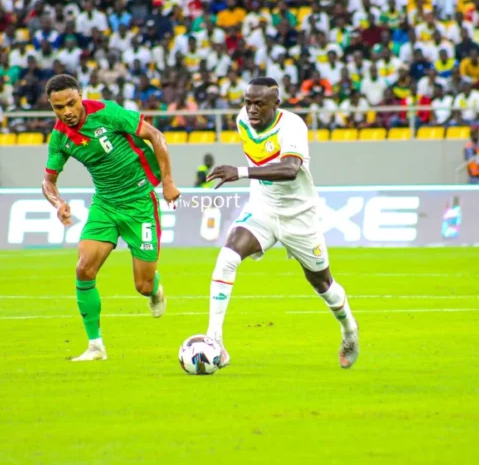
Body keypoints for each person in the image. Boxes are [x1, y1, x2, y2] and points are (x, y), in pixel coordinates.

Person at [203, 77, 359, 370]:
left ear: (277, 104)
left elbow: (290, 169)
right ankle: (215, 342)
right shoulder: (242, 121)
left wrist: (239, 171)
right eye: (248, 102)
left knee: (322, 283)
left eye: (259, 104)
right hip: (262, 208)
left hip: (299, 215)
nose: (251, 109)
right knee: (227, 257)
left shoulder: (293, 126)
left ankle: (349, 328)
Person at [42, 74, 180, 361]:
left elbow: (156, 135)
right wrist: (57, 202)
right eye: (58, 107)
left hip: (140, 202)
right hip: (104, 204)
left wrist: (167, 181)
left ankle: (154, 289)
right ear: (51, 106)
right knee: (84, 269)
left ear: (81, 95)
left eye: (71, 103)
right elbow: (48, 181)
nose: (66, 112)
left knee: (142, 286)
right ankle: (95, 346)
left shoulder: (107, 112)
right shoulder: (59, 138)